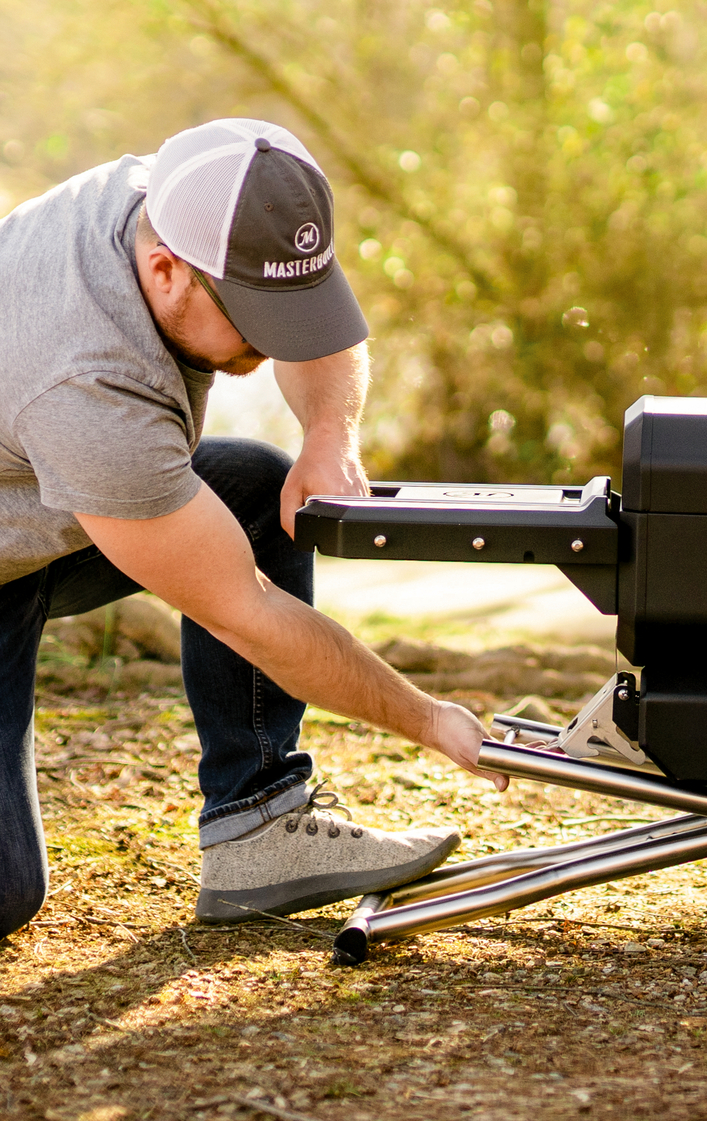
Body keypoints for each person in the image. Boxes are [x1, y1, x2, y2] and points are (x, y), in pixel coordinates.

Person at [0, 118, 508, 937]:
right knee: (5, 892)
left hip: (35, 517)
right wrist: (428, 720)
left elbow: (320, 320)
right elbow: (248, 614)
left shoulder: (210, 194)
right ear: (165, 273)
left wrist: (327, 438)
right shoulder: (86, 382)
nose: (277, 348)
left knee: (252, 487)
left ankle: (259, 827)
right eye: (255, 319)